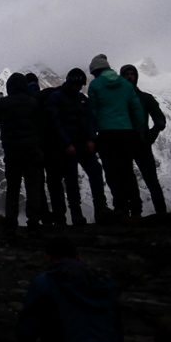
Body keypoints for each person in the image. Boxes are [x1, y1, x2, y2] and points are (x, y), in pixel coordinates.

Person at [44, 68, 111, 225]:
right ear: (69, 82)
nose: (78, 87)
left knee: (95, 171)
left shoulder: (81, 98)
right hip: (67, 146)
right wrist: (66, 143)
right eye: (76, 84)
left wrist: (91, 139)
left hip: (82, 144)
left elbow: (90, 120)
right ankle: (76, 214)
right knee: (71, 179)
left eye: (80, 85)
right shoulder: (57, 98)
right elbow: (55, 122)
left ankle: (100, 209)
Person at [87, 54, 145, 219]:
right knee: (127, 171)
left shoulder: (95, 85)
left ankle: (120, 208)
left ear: (95, 71)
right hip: (126, 133)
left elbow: (92, 111)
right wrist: (138, 130)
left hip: (106, 134)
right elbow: (136, 109)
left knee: (112, 172)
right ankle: (136, 208)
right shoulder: (126, 85)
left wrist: (93, 134)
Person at [0, 73, 44, 228]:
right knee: (33, 187)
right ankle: (34, 222)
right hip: (32, 150)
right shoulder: (34, 102)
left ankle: (11, 222)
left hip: (12, 151)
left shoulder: (3, 103)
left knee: (13, 187)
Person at [119, 64, 168, 217]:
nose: (129, 76)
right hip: (125, 143)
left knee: (151, 180)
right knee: (127, 180)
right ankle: (135, 213)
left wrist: (151, 135)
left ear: (136, 76)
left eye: (132, 74)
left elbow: (160, 120)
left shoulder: (145, 98)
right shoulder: (120, 99)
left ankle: (161, 214)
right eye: (126, 74)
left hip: (141, 143)